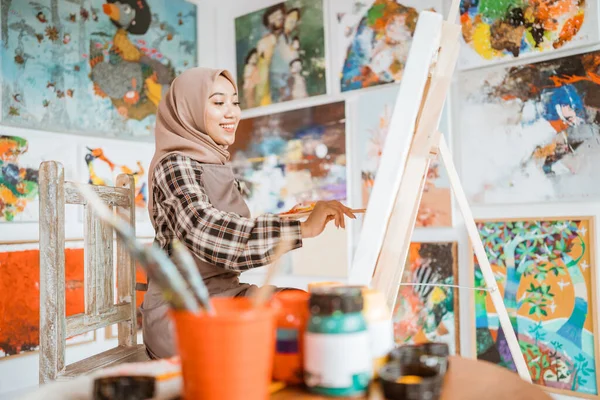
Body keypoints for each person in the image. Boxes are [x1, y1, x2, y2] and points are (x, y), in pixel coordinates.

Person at [141, 67, 355, 359]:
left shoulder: (215, 161)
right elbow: (205, 229)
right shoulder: (174, 164)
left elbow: (231, 227)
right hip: (181, 311)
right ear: (187, 109)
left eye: (235, 102)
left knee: (301, 306)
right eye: (218, 103)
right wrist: (301, 230)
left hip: (226, 296)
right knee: (268, 343)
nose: (231, 113)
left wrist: (298, 218)